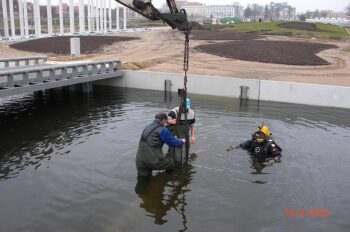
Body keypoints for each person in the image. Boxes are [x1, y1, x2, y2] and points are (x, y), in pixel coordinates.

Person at [136, 113, 185, 177]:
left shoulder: (147, 126)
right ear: (163, 120)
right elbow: (172, 142)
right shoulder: (163, 130)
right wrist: (181, 141)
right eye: (166, 121)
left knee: (143, 179)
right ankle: (168, 180)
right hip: (151, 160)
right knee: (171, 163)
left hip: (139, 160)